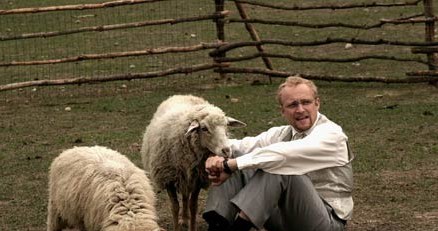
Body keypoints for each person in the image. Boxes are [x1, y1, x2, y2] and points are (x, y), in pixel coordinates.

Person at [203, 76, 354, 231]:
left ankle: (239, 228)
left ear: (317, 103)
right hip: (285, 218)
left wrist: (231, 165)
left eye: (306, 102)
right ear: (283, 111)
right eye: (293, 105)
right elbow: (239, 146)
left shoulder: (332, 134)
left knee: (282, 166)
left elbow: (285, 155)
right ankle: (217, 225)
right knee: (231, 154)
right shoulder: (281, 134)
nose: (300, 109)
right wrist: (217, 157)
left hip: (326, 221)